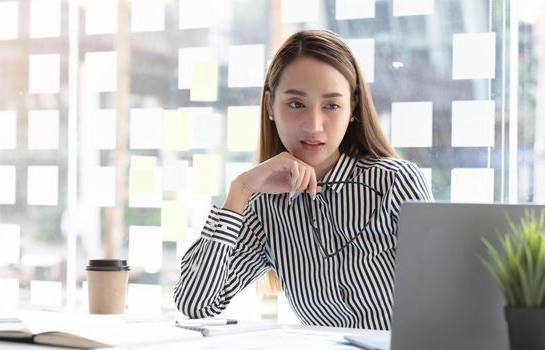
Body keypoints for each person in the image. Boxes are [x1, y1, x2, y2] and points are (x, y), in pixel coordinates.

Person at [174, 29, 433, 330]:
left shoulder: (394, 183)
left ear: (352, 107)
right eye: (296, 104)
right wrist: (239, 191)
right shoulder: (263, 209)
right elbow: (195, 305)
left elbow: (441, 302)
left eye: (331, 105)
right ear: (270, 105)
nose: (313, 126)